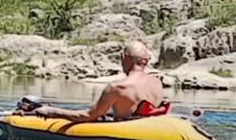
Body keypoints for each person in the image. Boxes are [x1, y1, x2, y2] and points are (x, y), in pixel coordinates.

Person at [17, 40, 167, 122]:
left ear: (124, 58)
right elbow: (138, 113)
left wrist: (52, 111)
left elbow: (88, 115)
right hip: (144, 129)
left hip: (127, 134)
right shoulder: (157, 83)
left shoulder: (118, 87)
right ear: (146, 61)